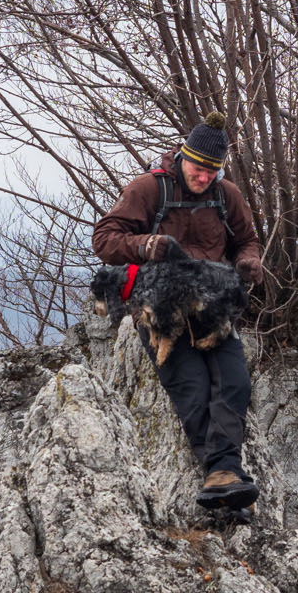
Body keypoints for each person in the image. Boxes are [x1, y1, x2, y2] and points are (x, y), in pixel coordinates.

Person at [94, 113, 266, 511]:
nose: (204, 177)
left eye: (212, 171)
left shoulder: (227, 196)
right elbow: (104, 239)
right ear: (182, 156)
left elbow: (248, 240)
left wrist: (249, 262)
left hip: (212, 308)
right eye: (198, 168)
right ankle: (220, 470)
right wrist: (145, 245)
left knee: (235, 381)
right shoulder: (147, 189)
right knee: (191, 386)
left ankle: (225, 473)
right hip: (161, 311)